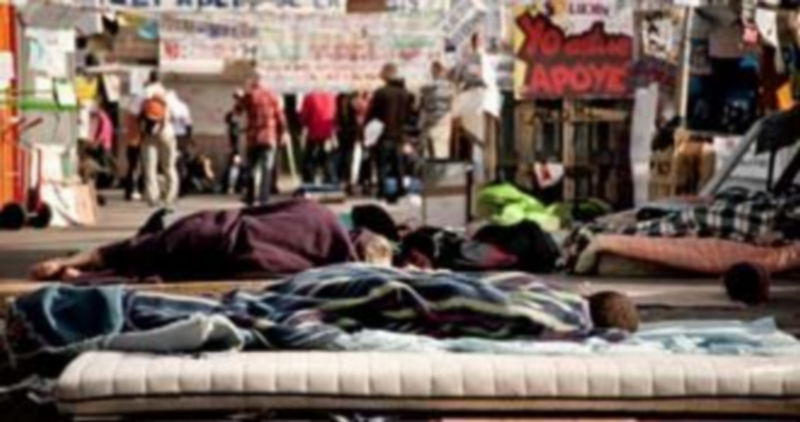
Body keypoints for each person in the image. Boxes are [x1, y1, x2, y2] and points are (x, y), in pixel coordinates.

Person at [29, 199, 356, 282]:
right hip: (225, 258)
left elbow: (254, 209)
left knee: (139, 250)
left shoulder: (317, 211)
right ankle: (83, 276)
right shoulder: (327, 265)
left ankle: (76, 265)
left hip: (212, 229)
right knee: (151, 273)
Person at [452, 32, 502, 184]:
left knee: (478, 144)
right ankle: (486, 176)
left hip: (474, 105)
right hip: (486, 104)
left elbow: (456, 79)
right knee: (485, 144)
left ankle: (480, 177)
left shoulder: (468, 60)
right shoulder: (488, 60)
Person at [366, 63, 414, 202]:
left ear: (387, 74)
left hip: (383, 133)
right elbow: (410, 114)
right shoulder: (405, 93)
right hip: (399, 134)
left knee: (381, 163)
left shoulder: (381, 92)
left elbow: (372, 114)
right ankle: (401, 188)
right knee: (398, 163)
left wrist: (367, 128)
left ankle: (382, 190)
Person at [236, 76, 286, 206]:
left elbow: (237, 110)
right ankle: (264, 198)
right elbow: (280, 117)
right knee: (267, 168)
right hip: (269, 137)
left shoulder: (249, 95)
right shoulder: (272, 96)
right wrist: (283, 133)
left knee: (252, 167)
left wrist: (239, 96)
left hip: (253, 137)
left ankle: (250, 196)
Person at [139, 71, 179, 207]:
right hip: (166, 131)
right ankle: (169, 197)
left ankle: (152, 198)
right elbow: (177, 114)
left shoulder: (144, 92)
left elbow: (133, 110)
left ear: (149, 79)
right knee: (169, 167)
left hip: (149, 133)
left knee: (150, 167)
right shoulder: (169, 94)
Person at [299, 91, 337, 184]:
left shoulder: (310, 96)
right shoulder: (331, 96)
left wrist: (303, 124)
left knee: (309, 157)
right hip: (327, 131)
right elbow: (334, 113)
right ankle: (330, 179)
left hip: (313, 131)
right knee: (326, 157)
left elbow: (305, 115)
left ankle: (309, 180)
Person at [419, 61, 455, 159]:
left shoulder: (426, 87)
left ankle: (429, 171)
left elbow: (422, 105)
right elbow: (452, 103)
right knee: (441, 149)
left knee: (427, 148)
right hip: (443, 119)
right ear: (442, 71)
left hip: (429, 119)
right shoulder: (449, 86)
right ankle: (440, 171)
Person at [223, 92, 245, 195]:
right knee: (235, 166)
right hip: (237, 146)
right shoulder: (235, 117)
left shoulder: (234, 117)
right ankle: (233, 186)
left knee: (236, 166)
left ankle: (234, 186)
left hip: (238, 146)